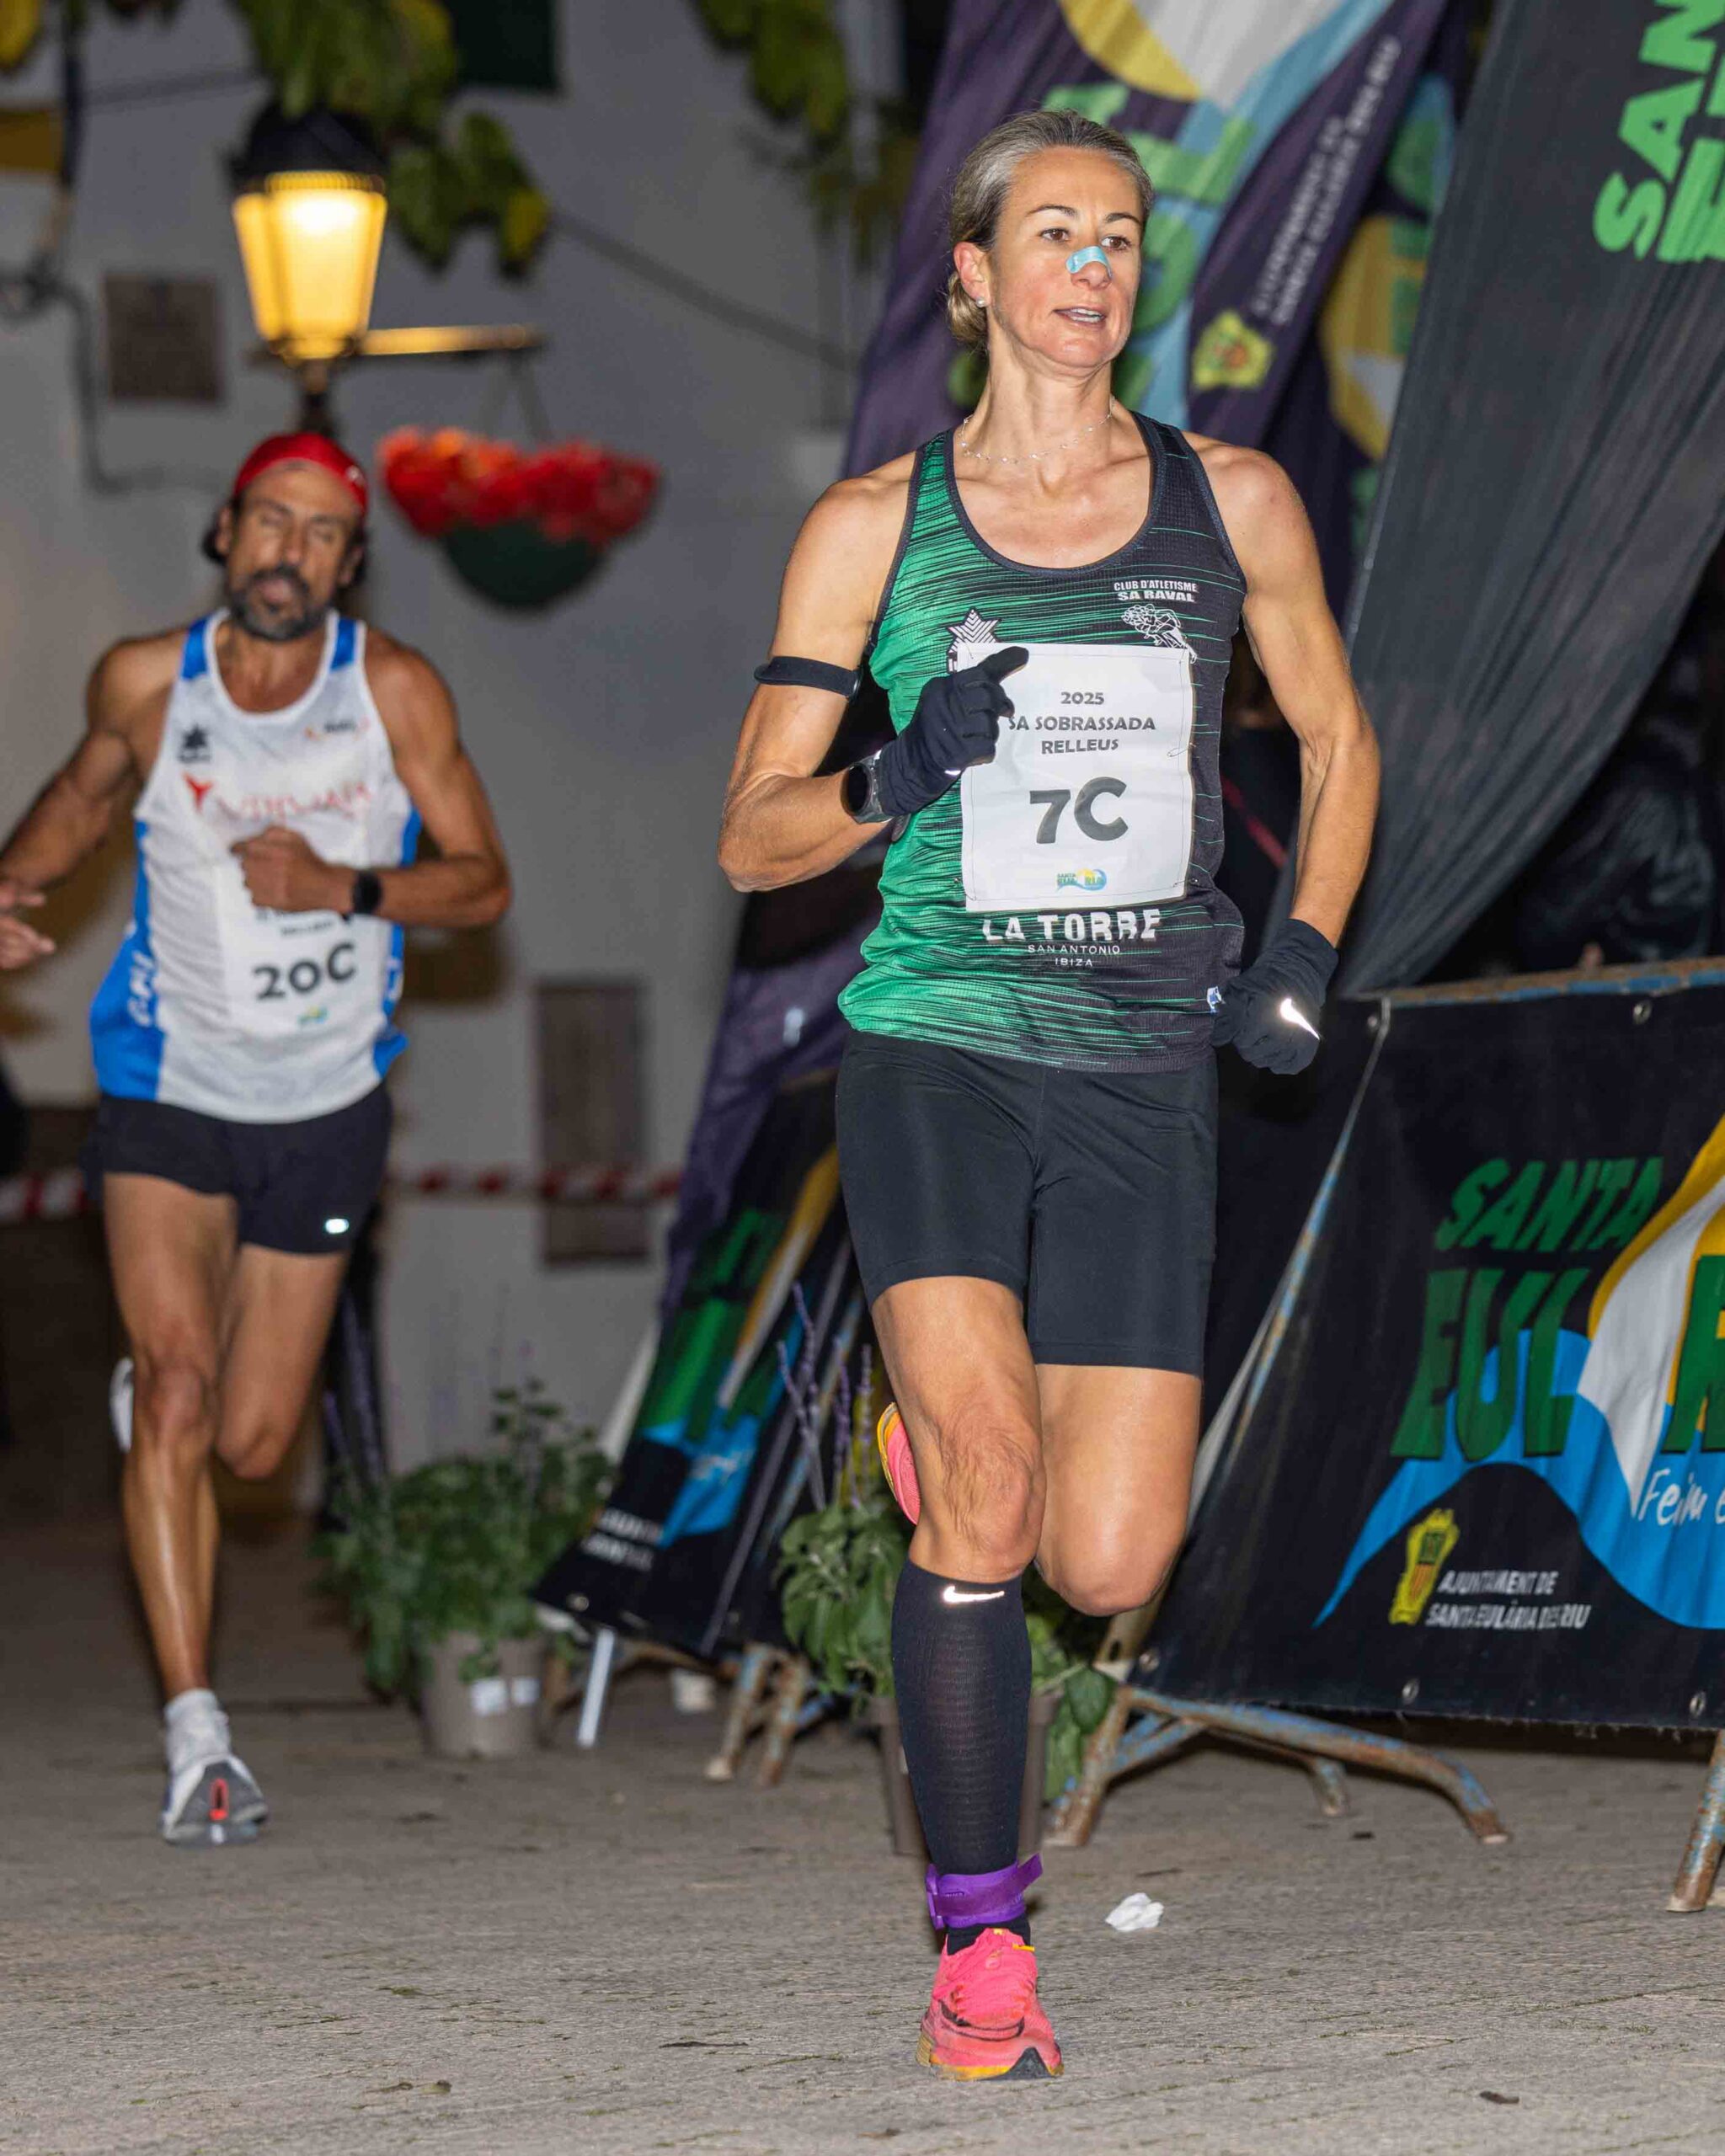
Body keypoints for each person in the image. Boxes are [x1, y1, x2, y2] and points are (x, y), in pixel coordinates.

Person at [718, 110, 1378, 2080]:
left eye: (1120, 235)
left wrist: (1300, 951)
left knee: (1104, 1562)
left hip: (1139, 1069)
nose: (1094, 263)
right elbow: (752, 836)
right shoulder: (872, 528)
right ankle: (980, 1942)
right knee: (995, 1487)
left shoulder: (1230, 499)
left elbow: (1338, 738)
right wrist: (901, 767)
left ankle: (947, 1452)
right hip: (938, 1043)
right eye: (1055, 233)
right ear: (974, 277)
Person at [0, 433, 510, 1846]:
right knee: (177, 1393)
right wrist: (10, 882)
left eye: (323, 532)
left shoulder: (393, 691)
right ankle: (199, 1740)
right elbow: (80, 802)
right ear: (226, 531)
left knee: (252, 1438)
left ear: (350, 563)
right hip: (168, 1083)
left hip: (328, 1104)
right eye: (272, 521)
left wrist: (347, 886)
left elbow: (482, 883)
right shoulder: (146, 681)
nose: (292, 550)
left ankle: (168, 1408)